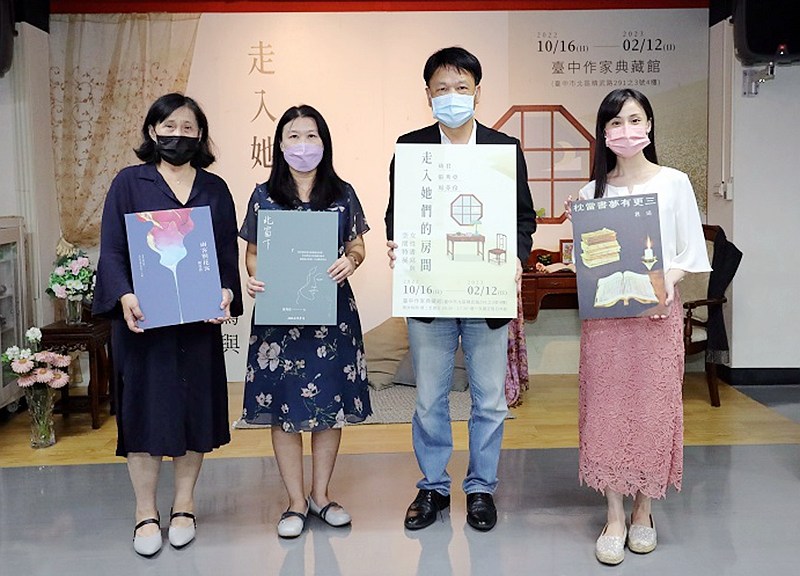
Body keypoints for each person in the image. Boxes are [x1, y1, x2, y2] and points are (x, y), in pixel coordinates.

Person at [385, 47, 536, 532]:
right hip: (430, 294)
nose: (452, 96)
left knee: (489, 400)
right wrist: (398, 244)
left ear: (477, 92)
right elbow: (396, 214)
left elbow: (523, 218)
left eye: (462, 88)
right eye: (442, 89)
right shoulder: (411, 148)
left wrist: (516, 257)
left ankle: (480, 489)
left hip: (485, 293)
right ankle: (432, 487)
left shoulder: (503, 148)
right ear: (428, 94)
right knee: (429, 399)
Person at [92, 93, 243, 557]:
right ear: (152, 131)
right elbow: (112, 250)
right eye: (169, 126)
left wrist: (226, 292)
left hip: (197, 324)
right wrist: (125, 295)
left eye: (188, 127)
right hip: (144, 325)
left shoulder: (215, 188)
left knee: (195, 411)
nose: (179, 135)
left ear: (201, 135)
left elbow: (224, 255)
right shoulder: (129, 182)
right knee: (144, 412)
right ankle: (145, 511)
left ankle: (183, 505)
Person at [568, 88, 711, 565]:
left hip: (656, 318)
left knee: (654, 407)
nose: (625, 131)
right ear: (603, 132)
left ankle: (643, 510)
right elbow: (586, 264)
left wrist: (668, 280)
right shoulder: (591, 194)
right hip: (607, 322)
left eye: (634, 120)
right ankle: (613, 513)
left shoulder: (674, 182)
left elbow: (691, 251)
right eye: (615, 123)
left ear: (649, 125)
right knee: (605, 408)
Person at [239, 105, 371, 539]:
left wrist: (351, 261)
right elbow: (252, 254)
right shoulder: (264, 195)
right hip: (280, 319)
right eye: (293, 136)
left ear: (324, 143)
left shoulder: (342, 193)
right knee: (284, 408)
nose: (302, 145)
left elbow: (357, 245)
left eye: (311, 136)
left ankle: (321, 495)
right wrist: (254, 276)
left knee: (327, 407)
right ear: (279, 145)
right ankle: (295, 501)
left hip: (332, 317)